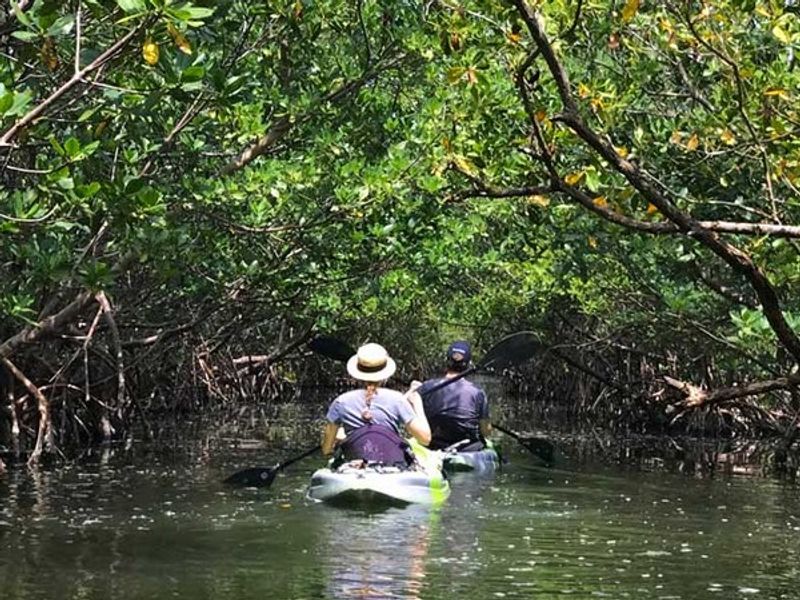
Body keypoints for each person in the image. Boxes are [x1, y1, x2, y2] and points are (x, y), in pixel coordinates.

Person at [321, 342, 431, 466]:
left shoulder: (340, 402)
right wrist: (417, 403)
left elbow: (326, 450)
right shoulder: (398, 400)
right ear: (385, 375)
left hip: (353, 468)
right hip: (392, 468)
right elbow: (425, 439)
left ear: (357, 374)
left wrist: (342, 437)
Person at [417, 340, 491, 451]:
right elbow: (486, 432)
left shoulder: (426, 387)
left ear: (447, 361)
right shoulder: (478, 392)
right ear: (469, 364)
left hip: (433, 446)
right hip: (467, 449)